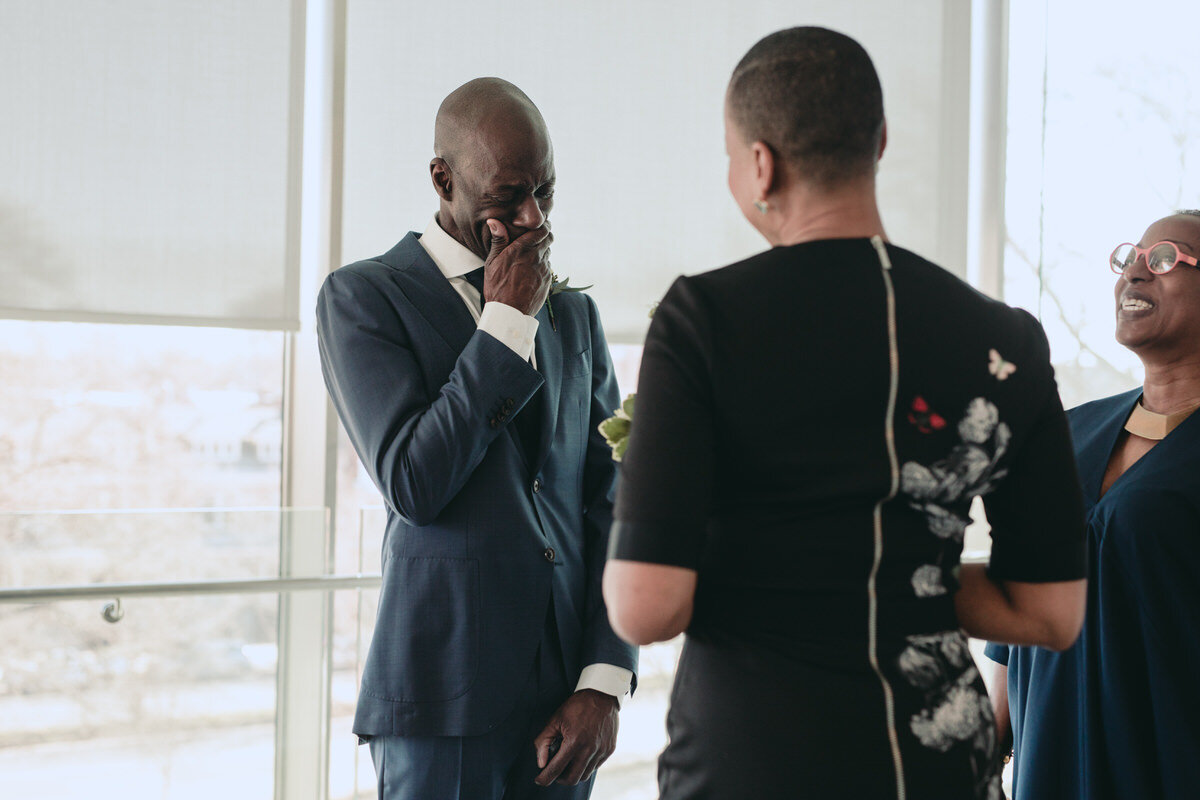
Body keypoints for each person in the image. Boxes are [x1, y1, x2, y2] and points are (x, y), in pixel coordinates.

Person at [601, 27, 1088, 800]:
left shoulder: (704, 319)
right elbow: (1054, 614)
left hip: (753, 761)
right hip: (935, 764)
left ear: (761, 163)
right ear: (881, 141)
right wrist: (901, 572)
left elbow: (645, 605)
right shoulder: (1007, 341)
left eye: (732, 157)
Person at [316, 77, 637, 800]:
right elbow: (414, 483)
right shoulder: (363, 298)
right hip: (440, 699)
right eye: (507, 198)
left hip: (567, 707)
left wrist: (604, 682)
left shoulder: (576, 319)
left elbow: (613, 502)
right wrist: (506, 323)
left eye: (546, 193)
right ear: (442, 179)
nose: (532, 219)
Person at [985, 211, 1200, 800]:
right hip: (1044, 774)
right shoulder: (1066, 434)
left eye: (1164, 259)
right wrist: (981, 757)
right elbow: (1016, 614)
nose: (1135, 272)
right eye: (1130, 258)